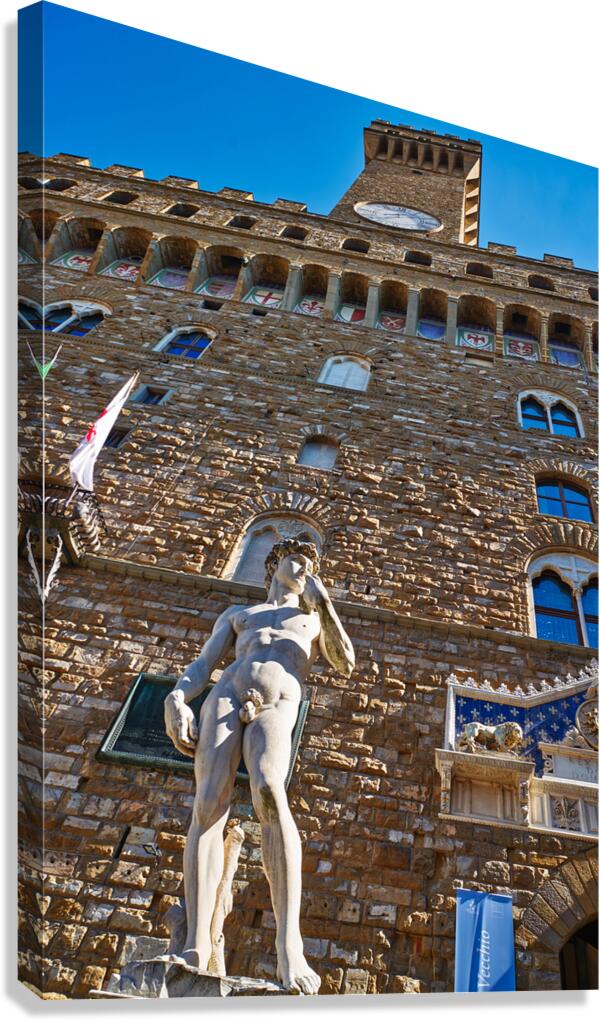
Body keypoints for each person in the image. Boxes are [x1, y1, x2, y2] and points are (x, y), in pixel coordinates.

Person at [164, 537, 355, 994]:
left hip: (279, 698)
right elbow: (204, 663)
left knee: (270, 789)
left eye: (312, 564)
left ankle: (290, 947)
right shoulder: (238, 615)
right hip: (226, 693)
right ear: (275, 563)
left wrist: (324, 602)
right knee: (209, 802)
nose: (305, 568)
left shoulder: (311, 620)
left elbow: (345, 661)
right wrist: (177, 696)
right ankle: (195, 942)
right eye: (298, 560)